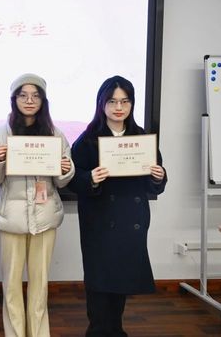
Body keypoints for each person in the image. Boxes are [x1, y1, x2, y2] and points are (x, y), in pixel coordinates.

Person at [68, 75, 167, 337]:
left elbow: (154, 181)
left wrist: (159, 177)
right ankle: (99, 331)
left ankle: (116, 330)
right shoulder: (87, 140)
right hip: (99, 222)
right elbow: (72, 180)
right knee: (100, 282)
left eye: (125, 101)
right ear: (102, 104)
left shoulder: (142, 138)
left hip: (131, 219)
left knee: (121, 280)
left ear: (132, 104)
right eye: (112, 101)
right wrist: (90, 179)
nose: (119, 107)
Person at [0, 73, 74, 337]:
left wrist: (65, 169)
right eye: (23, 95)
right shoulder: (1, 133)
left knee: (40, 284)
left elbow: (63, 180)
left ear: (43, 100)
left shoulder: (55, 134)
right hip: (11, 218)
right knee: (11, 285)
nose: (29, 101)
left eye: (35, 96)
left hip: (45, 218)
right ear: (14, 100)